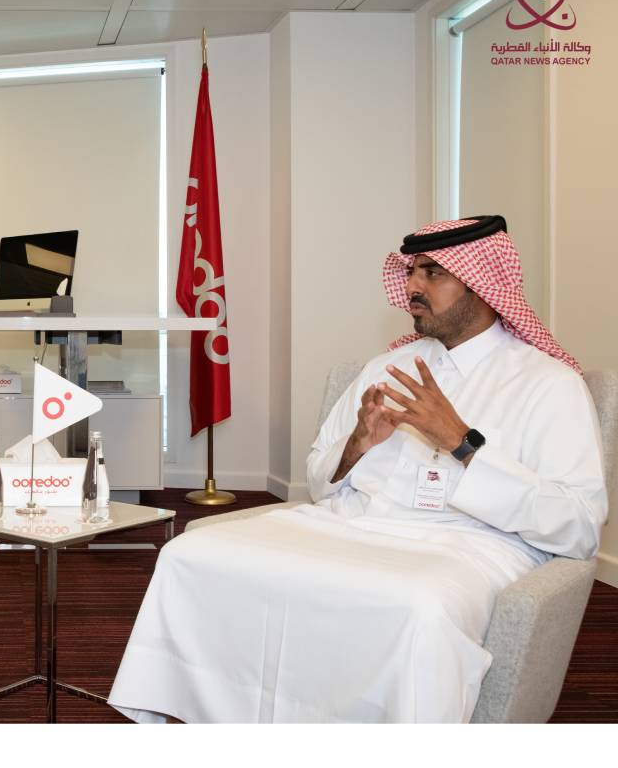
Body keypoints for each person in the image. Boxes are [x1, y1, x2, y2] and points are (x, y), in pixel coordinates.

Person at [108, 215, 608, 723]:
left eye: (432, 272)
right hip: (350, 524)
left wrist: (461, 442)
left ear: (483, 284)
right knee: (188, 554)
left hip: (466, 543)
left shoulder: (548, 384)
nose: (412, 286)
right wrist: (357, 446)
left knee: (419, 607)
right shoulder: (387, 367)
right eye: (411, 271)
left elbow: (580, 527)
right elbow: (320, 483)